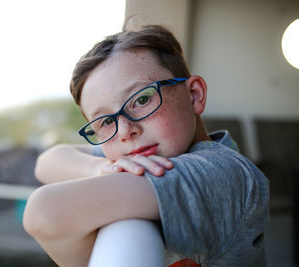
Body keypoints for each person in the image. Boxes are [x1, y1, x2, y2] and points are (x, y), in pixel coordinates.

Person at [23, 25, 269, 267]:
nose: (125, 131)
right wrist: (98, 169)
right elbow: (47, 162)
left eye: (141, 99)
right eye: (106, 121)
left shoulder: (222, 172)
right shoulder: (139, 150)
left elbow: (44, 212)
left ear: (194, 94)